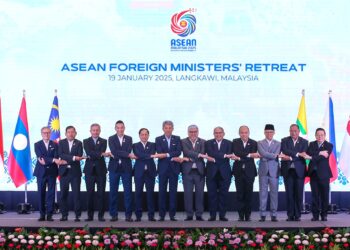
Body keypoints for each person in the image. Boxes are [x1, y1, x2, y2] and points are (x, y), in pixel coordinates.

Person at [108, 120, 136, 222]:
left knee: (128, 192)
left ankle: (128, 215)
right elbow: (114, 151)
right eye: (118, 128)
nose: (120, 129)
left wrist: (122, 153)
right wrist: (127, 155)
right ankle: (113, 214)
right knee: (113, 192)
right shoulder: (111, 138)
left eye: (122, 127)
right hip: (114, 168)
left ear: (124, 128)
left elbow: (126, 151)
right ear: (115, 128)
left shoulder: (129, 138)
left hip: (126, 168)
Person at [280, 124, 308, 221]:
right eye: (291, 131)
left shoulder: (304, 142)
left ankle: (298, 215)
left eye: (295, 131)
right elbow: (285, 150)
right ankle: (290, 215)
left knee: (298, 193)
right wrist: (297, 154)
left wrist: (290, 157)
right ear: (289, 131)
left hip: (299, 171)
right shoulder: (284, 140)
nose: (293, 132)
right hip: (288, 171)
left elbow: (303, 154)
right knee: (289, 194)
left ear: (299, 131)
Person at [155, 120, 182, 221]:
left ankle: (172, 215)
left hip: (174, 169)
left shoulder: (177, 138)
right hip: (162, 169)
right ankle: (161, 215)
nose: (168, 130)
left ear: (173, 128)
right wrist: (171, 155)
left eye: (170, 128)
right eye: (166, 128)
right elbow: (159, 152)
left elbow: (178, 152)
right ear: (163, 129)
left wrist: (166, 155)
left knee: (173, 192)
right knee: (162, 192)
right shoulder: (158, 139)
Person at [304, 128, 333, 221]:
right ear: (315, 135)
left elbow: (322, 158)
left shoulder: (329, 145)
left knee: (324, 195)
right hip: (313, 174)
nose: (320, 136)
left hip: (324, 174)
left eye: (322, 135)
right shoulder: (311, 144)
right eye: (318, 135)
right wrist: (320, 152)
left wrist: (311, 157)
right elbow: (308, 153)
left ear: (325, 136)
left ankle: (324, 215)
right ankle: (315, 215)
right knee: (314, 196)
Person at [232, 125, 259, 222]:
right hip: (238, 171)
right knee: (239, 194)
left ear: (249, 133)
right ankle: (240, 215)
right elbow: (236, 152)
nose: (244, 134)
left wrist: (240, 158)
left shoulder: (254, 143)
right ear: (239, 133)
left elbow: (251, 155)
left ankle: (248, 215)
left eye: (246, 132)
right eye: (242, 132)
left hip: (249, 172)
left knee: (249, 194)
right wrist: (249, 155)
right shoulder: (235, 142)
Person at [83, 123, 109, 222]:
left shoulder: (104, 141)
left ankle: (100, 216)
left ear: (100, 131)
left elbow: (96, 153)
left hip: (101, 170)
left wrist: (98, 154)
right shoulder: (85, 141)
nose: (95, 132)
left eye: (97, 130)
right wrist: (101, 154)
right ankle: (90, 216)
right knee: (89, 194)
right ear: (90, 131)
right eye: (93, 130)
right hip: (89, 171)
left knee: (101, 194)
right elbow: (89, 152)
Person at [34, 126, 61, 221]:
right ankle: (42, 214)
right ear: (41, 134)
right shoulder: (37, 144)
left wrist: (50, 159)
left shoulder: (55, 144)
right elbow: (40, 156)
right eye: (44, 133)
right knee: (41, 193)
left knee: (51, 194)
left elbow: (56, 156)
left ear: (50, 134)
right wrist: (53, 160)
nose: (46, 134)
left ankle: (49, 214)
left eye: (48, 132)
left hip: (52, 172)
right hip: (41, 172)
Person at [205, 126, 232, 221]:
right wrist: (224, 155)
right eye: (216, 133)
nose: (218, 134)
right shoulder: (208, 143)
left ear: (223, 133)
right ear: (213, 134)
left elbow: (228, 154)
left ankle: (222, 215)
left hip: (225, 172)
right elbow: (210, 153)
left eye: (220, 132)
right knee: (211, 195)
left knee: (223, 195)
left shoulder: (229, 143)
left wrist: (222, 156)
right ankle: (212, 215)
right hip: (211, 172)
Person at [58, 126, 84, 222]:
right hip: (64, 172)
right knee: (63, 195)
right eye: (68, 132)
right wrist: (73, 158)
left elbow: (79, 155)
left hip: (75, 173)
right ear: (65, 133)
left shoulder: (79, 143)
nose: (71, 134)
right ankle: (64, 215)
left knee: (76, 194)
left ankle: (77, 215)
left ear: (75, 133)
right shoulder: (61, 142)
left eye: (72, 132)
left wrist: (69, 159)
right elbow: (60, 154)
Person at [181, 125, 206, 221]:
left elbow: (203, 152)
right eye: (191, 132)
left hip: (199, 172)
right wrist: (198, 155)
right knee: (188, 194)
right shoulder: (183, 141)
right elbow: (186, 152)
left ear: (198, 132)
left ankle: (199, 214)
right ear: (188, 132)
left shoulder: (203, 141)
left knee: (200, 194)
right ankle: (189, 214)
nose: (193, 133)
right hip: (187, 171)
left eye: (195, 131)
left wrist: (191, 157)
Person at [257, 124, 281, 222]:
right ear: (264, 132)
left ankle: (274, 214)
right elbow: (263, 153)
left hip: (274, 171)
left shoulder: (278, 143)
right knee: (262, 193)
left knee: (274, 193)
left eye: (271, 132)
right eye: (267, 132)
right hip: (263, 170)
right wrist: (272, 155)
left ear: (274, 132)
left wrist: (266, 156)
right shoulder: (259, 143)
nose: (269, 134)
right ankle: (262, 214)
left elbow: (270, 154)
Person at [132, 128, 157, 222]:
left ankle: (151, 216)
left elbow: (151, 153)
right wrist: (149, 156)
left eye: (146, 134)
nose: (144, 136)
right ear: (139, 135)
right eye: (142, 134)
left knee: (150, 194)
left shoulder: (153, 145)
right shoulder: (135, 145)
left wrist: (146, 155)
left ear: (148, 135)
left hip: (150, 172)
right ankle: (138, 216)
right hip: (139, 172)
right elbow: (138, 154)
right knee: (138, 194)